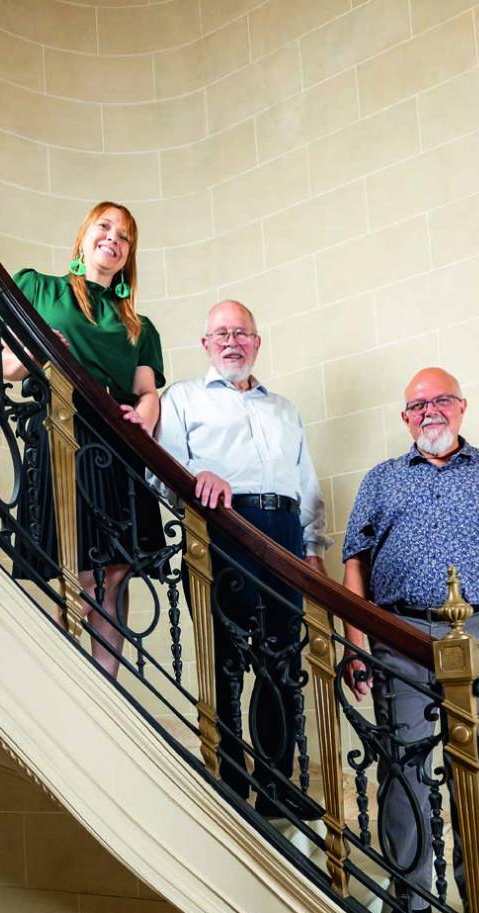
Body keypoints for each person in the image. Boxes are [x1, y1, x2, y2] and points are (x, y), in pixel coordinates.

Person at [342, 366, 479, 913]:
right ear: (405, 417)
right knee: (402, 765)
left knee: (475, 766)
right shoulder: (382, 479)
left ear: (462, 407)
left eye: (440, 401)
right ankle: (410, 901)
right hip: (399, 633)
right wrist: (359, 643)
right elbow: (354, 563)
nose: (429, 411)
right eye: (417, 405)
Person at [152, 299, 330, 816]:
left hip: (284, 534)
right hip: (221, 528)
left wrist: (313, 550)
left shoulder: (285, 408)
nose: (233, 341)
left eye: (242, 333)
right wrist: (194, 478)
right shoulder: (182, 398)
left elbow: (307, 483)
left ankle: (275, 788)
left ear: (257, 342)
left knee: (282, 662)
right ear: (206, 345)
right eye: (222, 333)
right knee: (225, 661)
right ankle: (230, 782)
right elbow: (160, 468)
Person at [1, 201, 165, 679]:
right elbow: (7, 366)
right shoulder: (40, 288)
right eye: (105, 227)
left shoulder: (139, 325)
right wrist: (42, 350)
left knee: (115, 574)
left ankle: (106, 692)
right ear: (84, 236)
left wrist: (145, 419)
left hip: (116, 442)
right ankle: (75, 688)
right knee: (81, 571)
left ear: (128, 256)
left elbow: (147, 391)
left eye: (125, 236)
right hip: (63, 428)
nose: (114, 239)